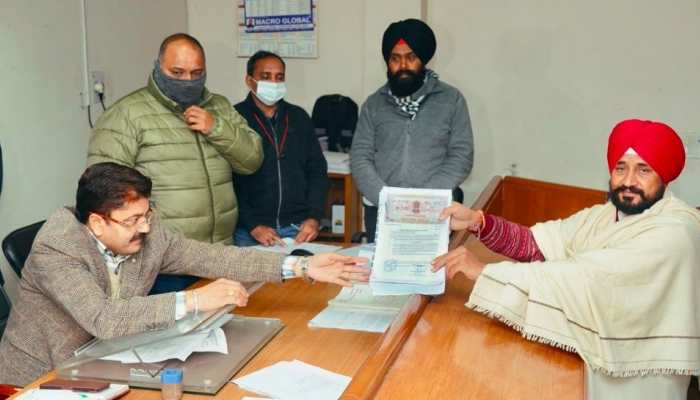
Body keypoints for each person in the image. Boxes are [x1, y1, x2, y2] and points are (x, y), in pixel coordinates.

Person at [0, 163, 368, 386]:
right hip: (42, 377)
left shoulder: (145, 231)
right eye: (133, 220)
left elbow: (209, 257)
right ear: (97, 222)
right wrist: (194, 299)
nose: (145, 227)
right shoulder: (58, 248)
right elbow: (104, 318)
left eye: (147, 215)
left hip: (107, 361)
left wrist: (298, 266)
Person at [433, 119, 699, 399]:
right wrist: (478, 222)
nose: (629, 181)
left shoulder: (676, 232)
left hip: (638, 384)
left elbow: (581, 280)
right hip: (587, 365)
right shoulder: (605, 214)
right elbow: (539, 244)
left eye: (643, 170)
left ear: (665, 176)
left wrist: (483, 272)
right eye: (621, 168)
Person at [87, 33, 263, 293]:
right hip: (164, 264)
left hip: (219, 254)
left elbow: (252, 161)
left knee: (224, 330)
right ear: (158, 67)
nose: (187, 81)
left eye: (196, 73)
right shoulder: (127, 114)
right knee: (172, 332)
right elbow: (103, 191)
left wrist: (216, 128)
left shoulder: (220, 106)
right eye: (177, 72)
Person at [350, 18, 474, 242]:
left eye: (411, 57)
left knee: (432, 272)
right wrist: (387, 199)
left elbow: (461, 155)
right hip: (382, 210)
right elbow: (360, 157)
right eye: (395, 59)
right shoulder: (374, 104)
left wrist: (423, 200)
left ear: (423, 60)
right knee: (382, 275)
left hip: (435, 210)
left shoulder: (451, 100)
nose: (403, 66)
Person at [232, 51, 328, 246]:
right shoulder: (235, 118)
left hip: (297, 229)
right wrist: (252, 225)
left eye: (279, 77)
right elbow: (227, 181)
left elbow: (317, 170)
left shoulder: (298, 117)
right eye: (265, 77)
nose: (273, 83)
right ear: (249, 81)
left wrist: (314, 217)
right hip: (251, 231)